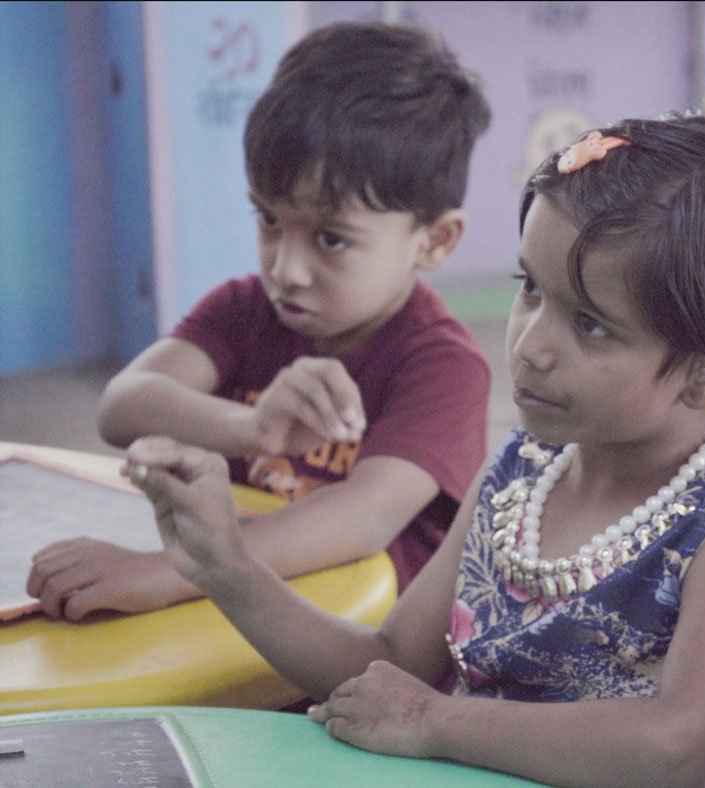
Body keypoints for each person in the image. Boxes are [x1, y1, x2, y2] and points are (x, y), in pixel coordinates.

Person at [122, 114, 705, 787]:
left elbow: (677, 748)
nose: (532, 347)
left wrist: (436, 721)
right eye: (529, 289)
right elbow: (390, 666)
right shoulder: (518, 475)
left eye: (592, 326)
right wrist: (225, 567)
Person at [26, 21, 494, 620]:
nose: (286, 268)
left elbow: (366, 515)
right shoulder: (243, 309)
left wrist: (168, 570)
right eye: (269, 220)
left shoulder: (443, 366)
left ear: (434, 240)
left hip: (355, 651)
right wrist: (256, 430)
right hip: (227, 607)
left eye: (331, 239)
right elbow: (123, 405)